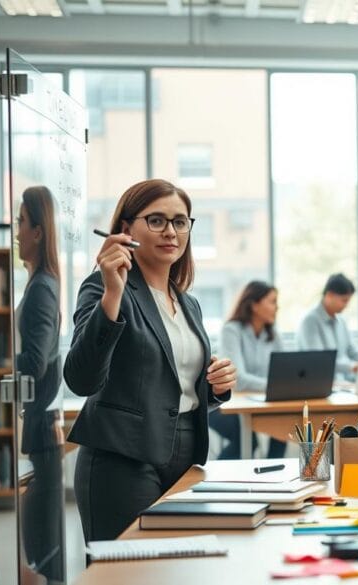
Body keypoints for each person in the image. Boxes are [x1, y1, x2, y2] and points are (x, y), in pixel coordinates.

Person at [65, 179, 238, 542]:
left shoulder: (187, 302)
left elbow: (170, 386)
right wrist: (113, 292)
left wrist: (214, 387)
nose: (170, 231)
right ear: (127, 229)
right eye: (156, 220)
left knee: (177, 569)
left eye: (180, 221)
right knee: (132, 573)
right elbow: (81, 379)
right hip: (121, 460)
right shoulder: (102, 287)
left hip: (184, 457)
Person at [15, 186, 65, 582]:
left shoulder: (41, 291)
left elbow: (34, 360)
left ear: (36, 231)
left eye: (20, 222)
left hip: (43, 432)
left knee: (42, 551)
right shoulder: (41, 285)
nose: (16, 231)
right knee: (41, 548)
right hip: (41, 429)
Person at [212, 280, 287, 460]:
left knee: (284, 428)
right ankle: (212, 480)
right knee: (247, 440)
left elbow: (286, 372)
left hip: (257, 403)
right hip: (221, 404)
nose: (277, 307)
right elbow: (238, 380)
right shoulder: (231, 330)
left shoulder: (273, 334)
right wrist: (276, 385)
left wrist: (283, 385)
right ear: (254, 305)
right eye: (272, 301)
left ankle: (272, 481)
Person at [297, 273, 358, 382]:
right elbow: (319, 361)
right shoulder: (310, 322)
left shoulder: (341, 321)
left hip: (344, 384)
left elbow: (353, 350)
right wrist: (351, 366)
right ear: (329, 295)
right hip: (319, 384)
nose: (346, 305)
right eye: (344, 300)